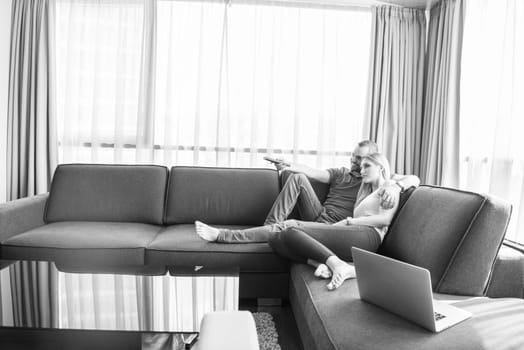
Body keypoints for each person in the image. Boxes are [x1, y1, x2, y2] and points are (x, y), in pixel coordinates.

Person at [195, 140, 419, 243]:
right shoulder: (342, 173)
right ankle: (268, 228)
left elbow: (414, 179)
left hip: (336, 228)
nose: (355, 162)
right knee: (298, 178)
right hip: (318, 214)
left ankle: (232, 235)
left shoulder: (375, 181)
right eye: (354, 156)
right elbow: (312, 172)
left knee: (291, 225)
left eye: (361, 160)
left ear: (375, 160)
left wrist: (396, 185)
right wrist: (287, 164)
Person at [269, 153, 398, 291]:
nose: (362, 171)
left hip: (369, 235)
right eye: (361, 167)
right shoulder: (365, 190)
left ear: (381, 167)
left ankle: (338, 265)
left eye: (367, 166)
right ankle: (320, 263)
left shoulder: (390, 186)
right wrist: (289, 164)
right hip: (354, 233)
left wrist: (350, 222)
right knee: (275, 239)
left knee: (290, 233)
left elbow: (385, 219)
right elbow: (314, 172)